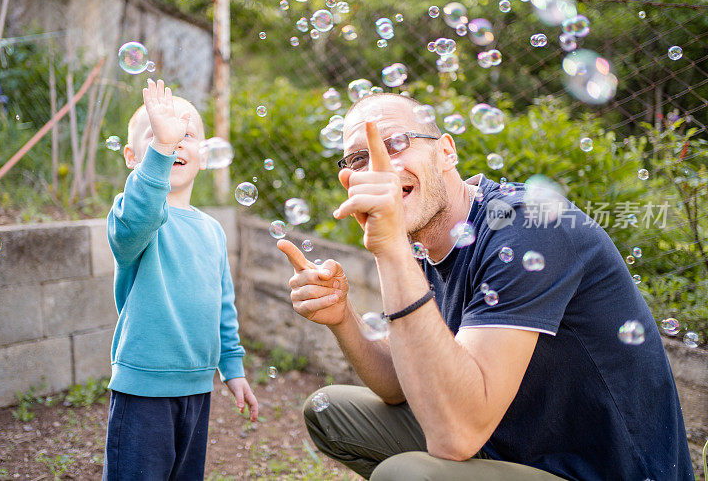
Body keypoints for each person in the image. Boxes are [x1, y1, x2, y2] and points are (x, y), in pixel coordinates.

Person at [277, 93, 693, 480]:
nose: (378, 167)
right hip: (506, 446)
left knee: (406, 474)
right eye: (357, 159)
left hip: (597, 471)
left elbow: (455, 437)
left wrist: (390, 250)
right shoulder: (421, 247)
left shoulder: (529, 226)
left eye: (396, 142)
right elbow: (398, 384)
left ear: (445, 152)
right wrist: (342, 318)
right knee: (329, 412)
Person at [103, 79, 258, 480]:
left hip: (196, 388)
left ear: (204, 156)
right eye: (157, 133)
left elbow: (222, 304)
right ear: (133, 156)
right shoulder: (133, 216)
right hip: (143, 390)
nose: (173, 141)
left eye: (185, 134)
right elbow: (138, 217)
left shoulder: (213, 231)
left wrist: (233, 365)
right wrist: (162, 148)